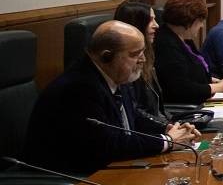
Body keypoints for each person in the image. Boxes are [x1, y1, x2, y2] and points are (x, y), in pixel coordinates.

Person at [24, 21, 198, 176]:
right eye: (134, 54)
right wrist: (167, 141)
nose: (143, 60)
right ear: (107, 56)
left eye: (143, 52)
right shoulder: (79, 88)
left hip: (110, 171)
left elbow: (133, 117)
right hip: (73, 183)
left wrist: (169, 128)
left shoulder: (115, 75)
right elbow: (109, 144)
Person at [156, 0, 223, 105]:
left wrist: (211, 80)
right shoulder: (166, 45)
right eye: (200, 21)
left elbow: (192, 73)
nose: (202, 26)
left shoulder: (184, 39)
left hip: (201, 101)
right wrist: (218, 87)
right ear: (188, 20)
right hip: (188, 108)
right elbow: (182, 89)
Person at [112, 0, 166, 123]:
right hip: (148, 134)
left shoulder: (148, 53)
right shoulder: (125, 66)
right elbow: (135, 112)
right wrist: (166, 129)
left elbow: (158, 109)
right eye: (150, 20)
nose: (156, 25)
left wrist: (173, 125)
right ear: (136, 24)